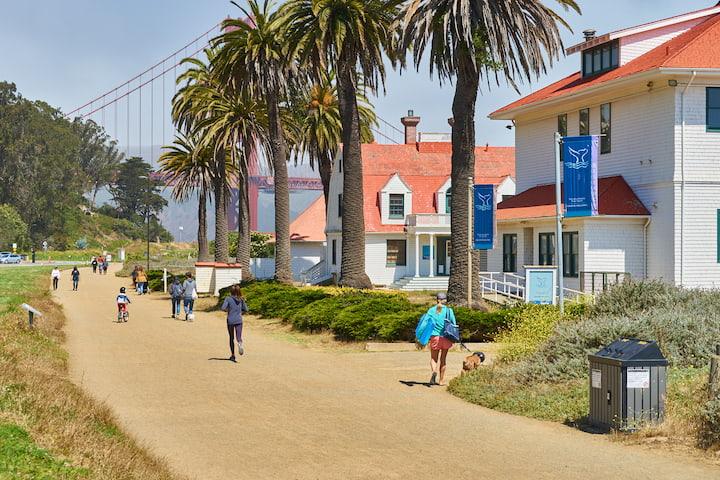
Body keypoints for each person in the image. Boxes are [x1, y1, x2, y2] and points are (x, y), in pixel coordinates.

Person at [425, 293, 457, 386]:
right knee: (443, 359)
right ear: (445, 300)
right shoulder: (449, 311)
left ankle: (434, 371)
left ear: (437, 299)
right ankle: (441, 380)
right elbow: (454, 324)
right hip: (446, 338)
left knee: (433, 358)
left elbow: (426, 323)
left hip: (435, 337)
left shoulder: (431, 310)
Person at [220, 284, 248, 361]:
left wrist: (228, 310)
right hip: (239, 320)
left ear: (231, 291)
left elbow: (223, 308)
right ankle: (240, 343)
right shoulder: (241, 299)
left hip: (230, 320)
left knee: (231, 338)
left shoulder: (228, 298)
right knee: (238, 336)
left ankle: (233, 355)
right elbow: (246, 309)